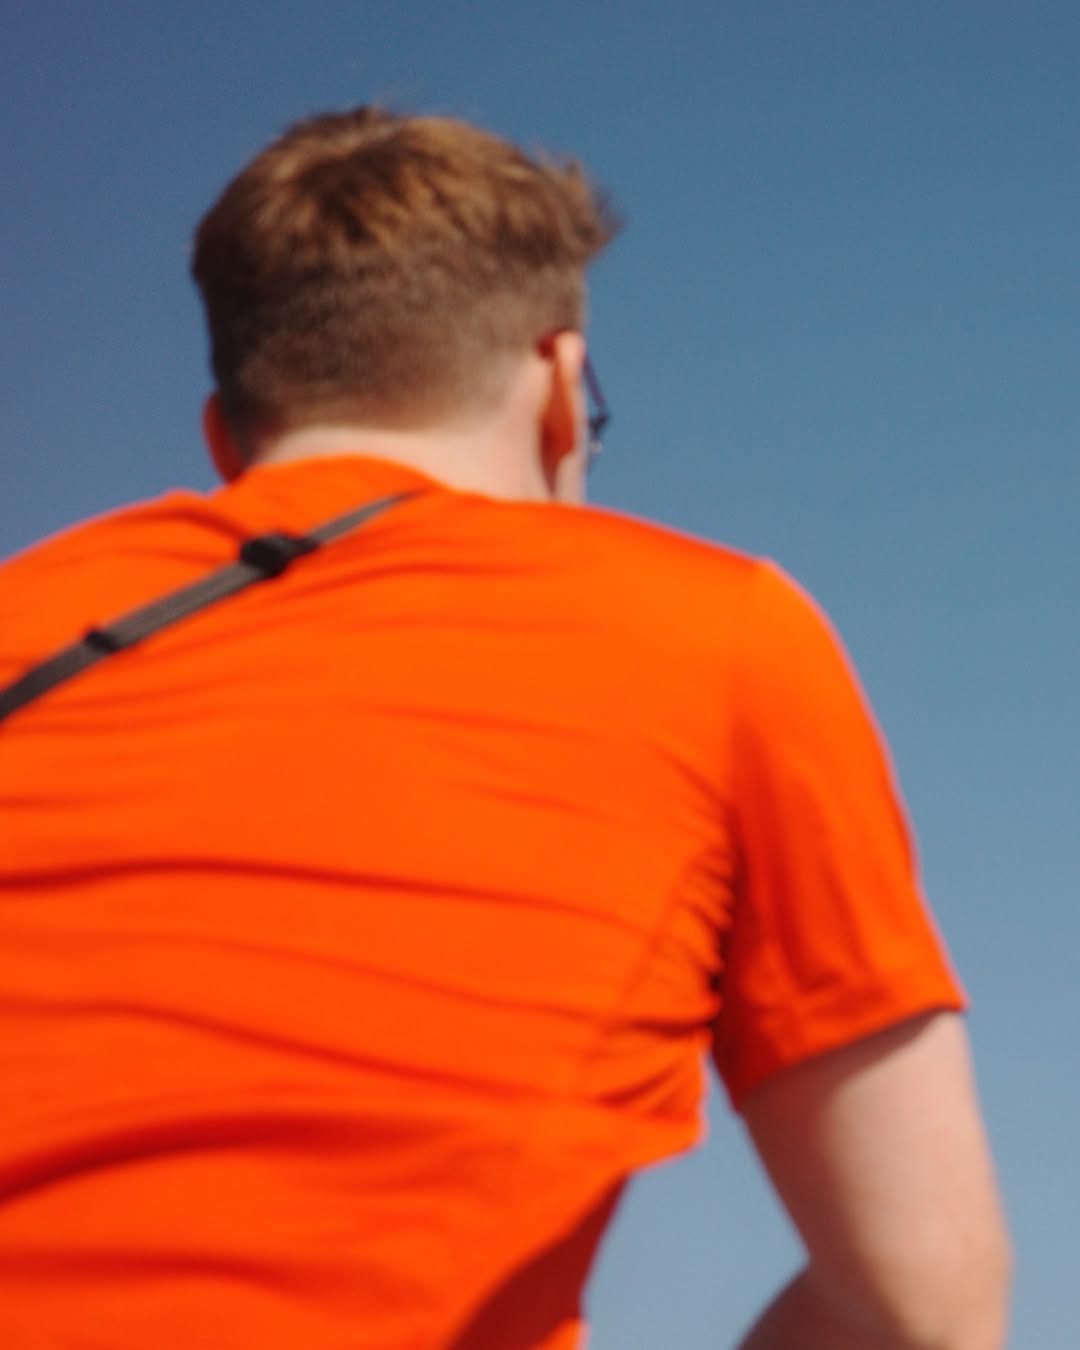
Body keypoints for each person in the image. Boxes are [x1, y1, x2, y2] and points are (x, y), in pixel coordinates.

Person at [0, 107, 1009, 1350]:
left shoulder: (26, 618)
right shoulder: (721, 633)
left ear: (224, 441)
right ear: (561, 392)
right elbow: (926, 1303)